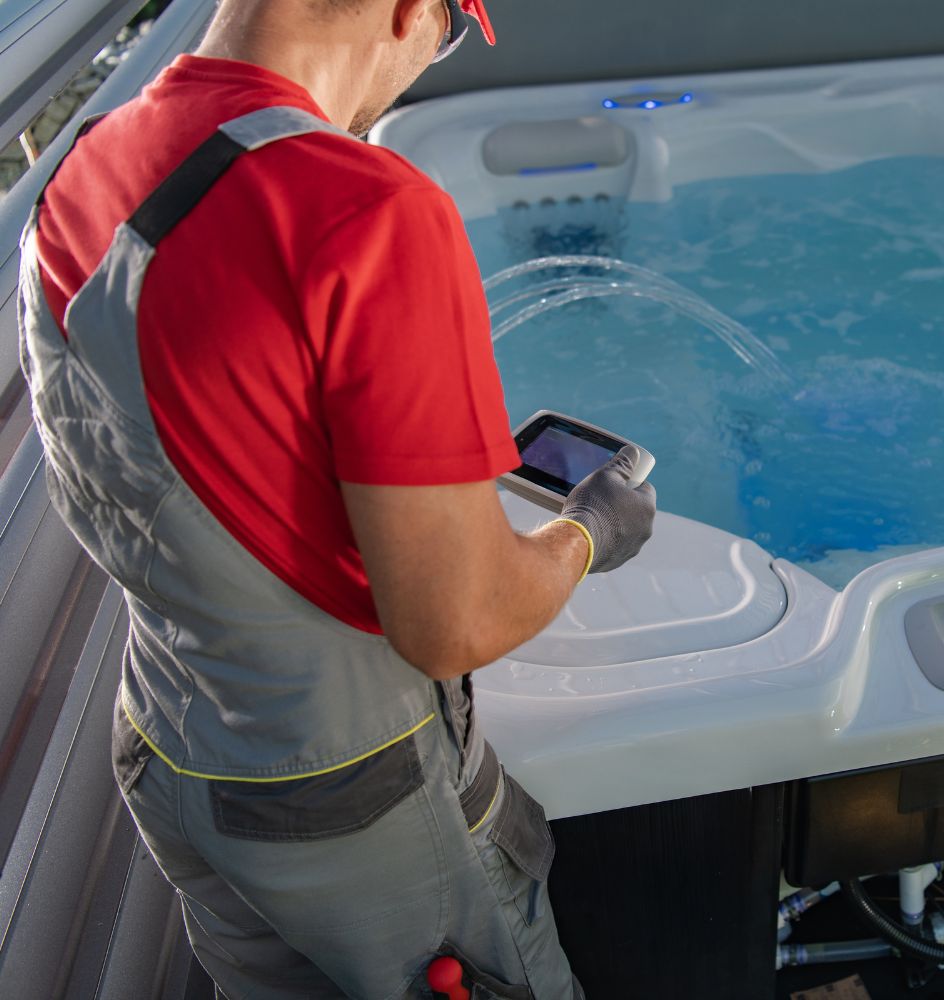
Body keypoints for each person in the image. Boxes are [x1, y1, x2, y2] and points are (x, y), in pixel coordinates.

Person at [18, 0, 656, 996]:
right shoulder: (364, 207)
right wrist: (591, 528)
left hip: (171, 742)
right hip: (347, 802)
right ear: (408, 12)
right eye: (443, 37)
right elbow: (459, 620)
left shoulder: (90, 156)